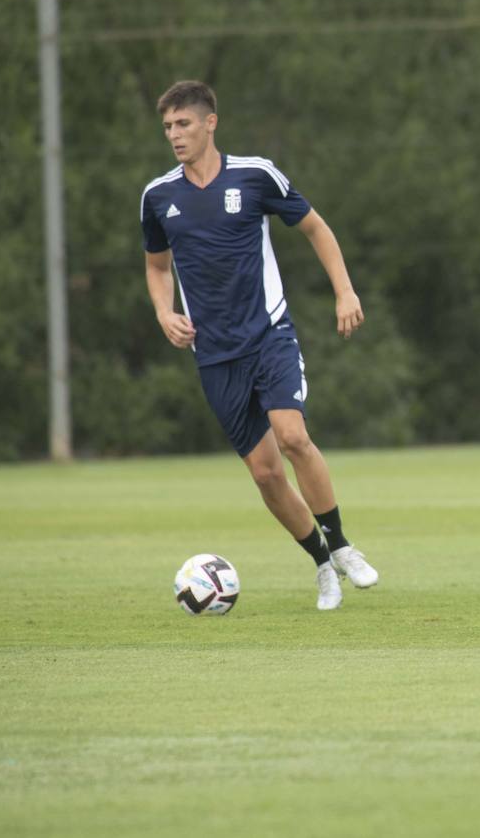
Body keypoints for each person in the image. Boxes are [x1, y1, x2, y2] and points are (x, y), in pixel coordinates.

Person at [140, 80, 378, 611]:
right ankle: (322, 565)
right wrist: (163, 312)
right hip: (214, 354)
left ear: (210, 123)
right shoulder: (158, 197)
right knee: (266, 473)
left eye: (183, 124)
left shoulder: (255, 175)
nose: (175, 135)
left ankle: (342, 546)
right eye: (168, 128)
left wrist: (345, 292)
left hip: (269, 334)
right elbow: (157, 267)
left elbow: (316, 228)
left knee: (293, 436)